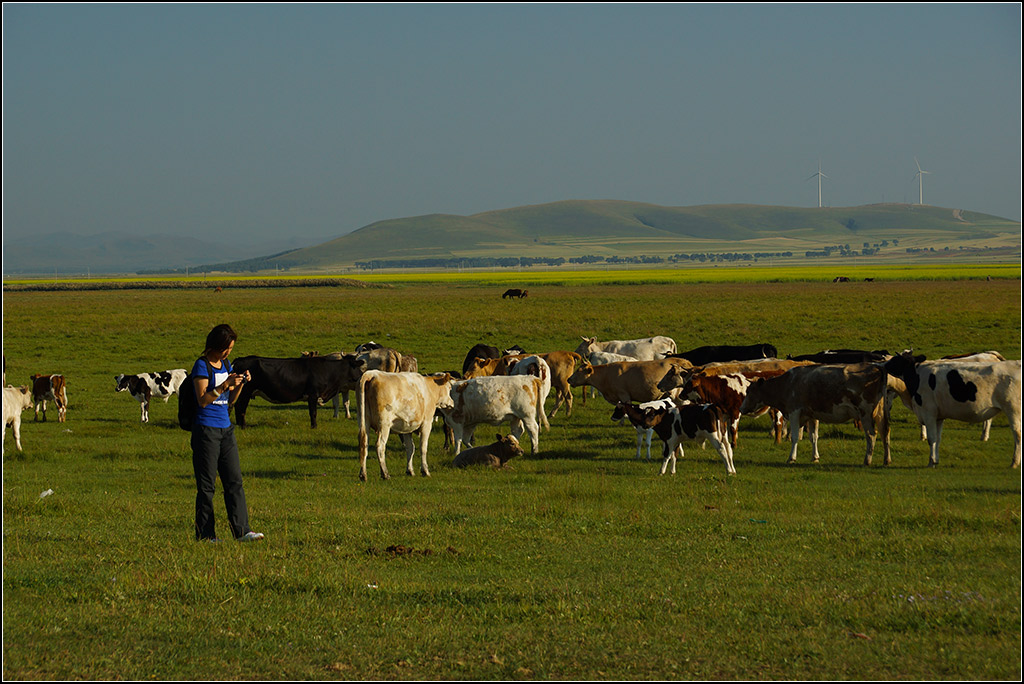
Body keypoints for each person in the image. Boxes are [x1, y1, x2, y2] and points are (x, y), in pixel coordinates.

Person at [191, 323, 264, 543]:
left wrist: (240, 383)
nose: (228, 352)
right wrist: (224, 385)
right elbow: (203, 400)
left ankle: (242, 531)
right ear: (216, 345)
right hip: (206, 430)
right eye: (226, 348)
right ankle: (206, 535)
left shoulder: (225, 364)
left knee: (234, 481)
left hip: (226, 429)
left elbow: (230, 400)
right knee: (207, 486)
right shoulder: (202, 366)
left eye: (231, 349)